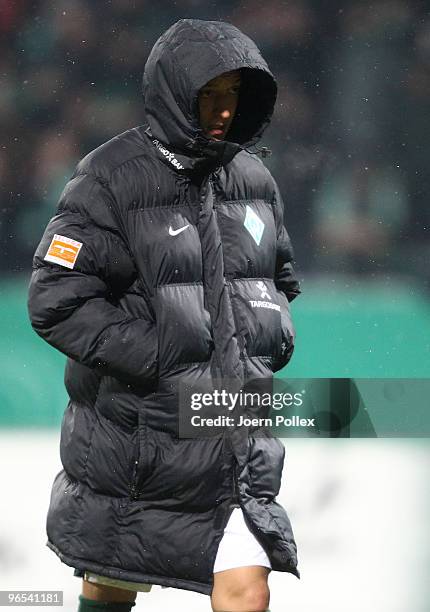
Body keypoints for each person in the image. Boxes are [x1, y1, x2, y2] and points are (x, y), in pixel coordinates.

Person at [28, 18, 300, 612]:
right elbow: (56, 300)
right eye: (210, 96)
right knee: (109, 582)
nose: (225, 112)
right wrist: (155, 357)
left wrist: (268, 335)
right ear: (174, 94)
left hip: (231, 433)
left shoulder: (256, 180)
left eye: (235, 96)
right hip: (137, 440)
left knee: (248, 586)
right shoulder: (109, 177)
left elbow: (278, 280)